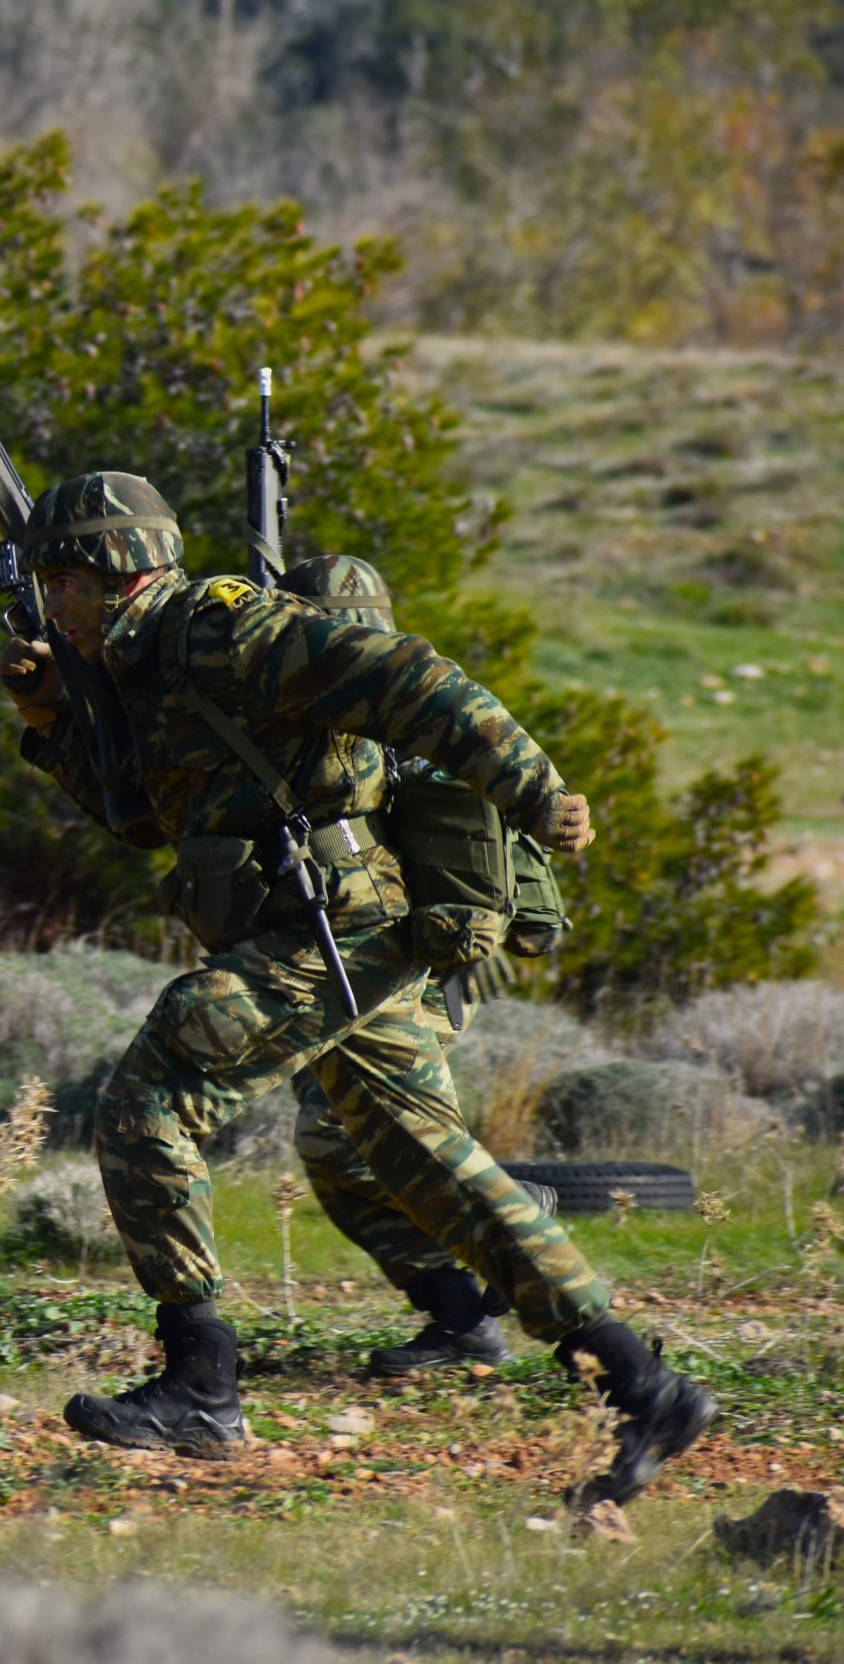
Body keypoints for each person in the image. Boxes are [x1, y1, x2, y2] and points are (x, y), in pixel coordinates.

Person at [0, 473, 713, 1507]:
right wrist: (50, 719)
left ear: (114, 573)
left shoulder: (214, 629)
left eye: (59, 582)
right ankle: (644, 1386)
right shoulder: (140, 669)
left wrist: (533, 786)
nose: (50, 606)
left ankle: (200, 1385)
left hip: (332, 929)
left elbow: (402, 675)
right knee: (430, 1169)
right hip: (323, 936)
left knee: (151, 1097)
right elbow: (142, 819)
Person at [273, 555, 556, 1377]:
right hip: (354, 955)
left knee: (361, 1135)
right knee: (334, 1146)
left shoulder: (390, 711)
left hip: (414, 958)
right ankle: (459, 1318)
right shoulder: (341, 703)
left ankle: (514, 1231)